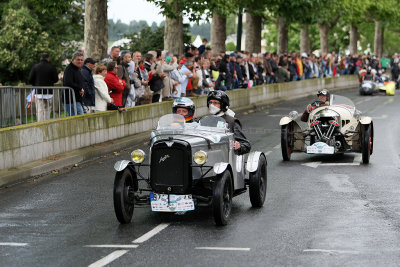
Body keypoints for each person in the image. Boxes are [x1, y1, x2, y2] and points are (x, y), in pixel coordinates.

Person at [206, 91, 251, 155]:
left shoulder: (231, 121)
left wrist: (239, 146)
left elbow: (246, 145)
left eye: (215, 103)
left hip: (225, 156)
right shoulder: (205, 120)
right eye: (210, 102)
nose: (212, 105)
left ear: (222, 105)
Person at [28, 52, 59, 122]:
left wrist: (35, 84)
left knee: (40, 109)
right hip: (49, 92)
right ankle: (47, 124)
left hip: (39, 92)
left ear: (40, 58)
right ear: (48, 59)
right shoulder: (52, 67)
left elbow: (30, 79)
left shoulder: (35, 67)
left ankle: (40, 124)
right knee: (47, 109)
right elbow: (56, 79)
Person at [63, 51, 85, 116]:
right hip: (70, 99)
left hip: (76, 99)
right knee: (79, 117)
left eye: (81, 60)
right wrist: (80, 88)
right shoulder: (69, 69)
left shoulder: (78, 69)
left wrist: (82, 88)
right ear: (73, 60)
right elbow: (68, 82)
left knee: (74, 118)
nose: (80, 61)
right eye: (78, 59)